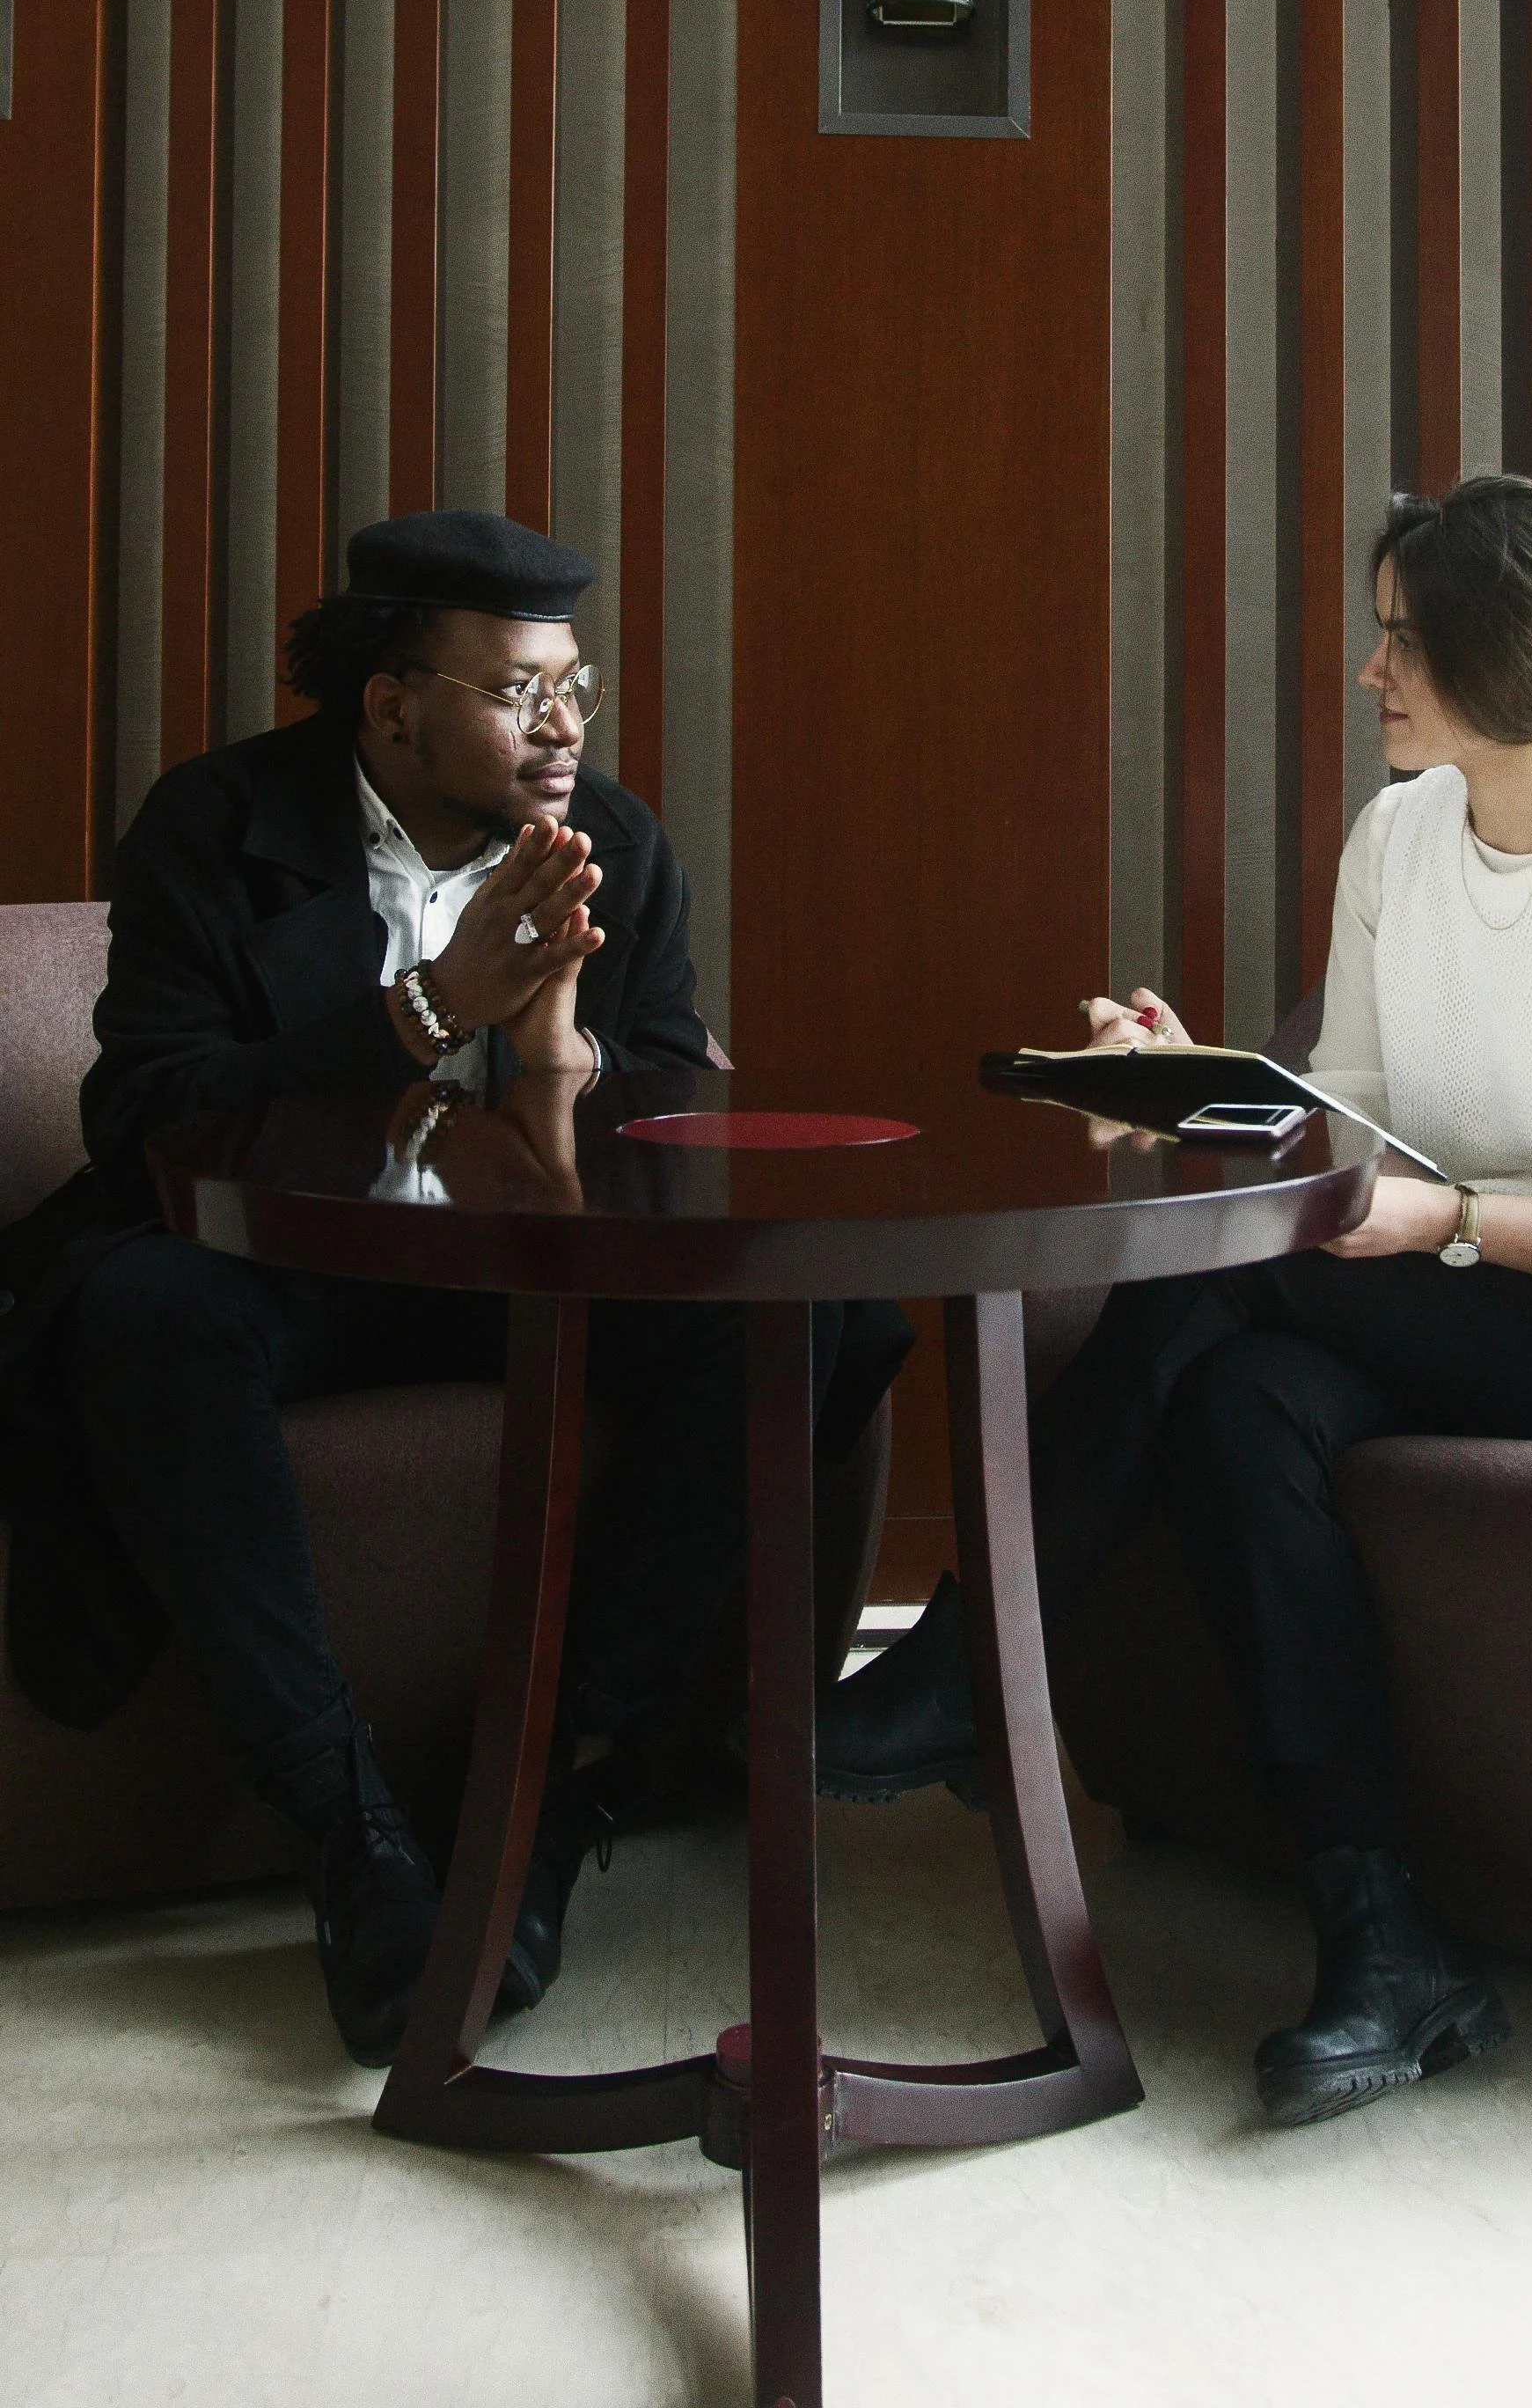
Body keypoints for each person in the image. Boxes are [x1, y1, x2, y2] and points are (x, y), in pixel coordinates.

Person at [815, 474, 1532, 2129]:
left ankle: (981, 1658)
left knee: (1226, 1304)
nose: (1370, 675)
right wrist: (1183, 1088)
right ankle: (1384, 1934)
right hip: (1432, 1294)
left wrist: (1446, 1219)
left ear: (1509, 653)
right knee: (1231, 1392)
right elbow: (1345, 1117)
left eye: (1402, 641)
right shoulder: (1397, 836)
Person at [1, 509, 903, 2067]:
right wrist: (426, 1010)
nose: (559, 728)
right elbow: (143, 1116)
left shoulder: (612, 834)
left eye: (576, 687)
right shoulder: (212, 827)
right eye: (514, 692)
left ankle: (553, 1797)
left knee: (793, 1311)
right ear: (391, 701)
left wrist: (560, 1050)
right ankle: (344, 1827)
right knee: (140, 1318)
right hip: (285, 1266)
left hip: (519, 1267)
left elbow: (674, 1111)